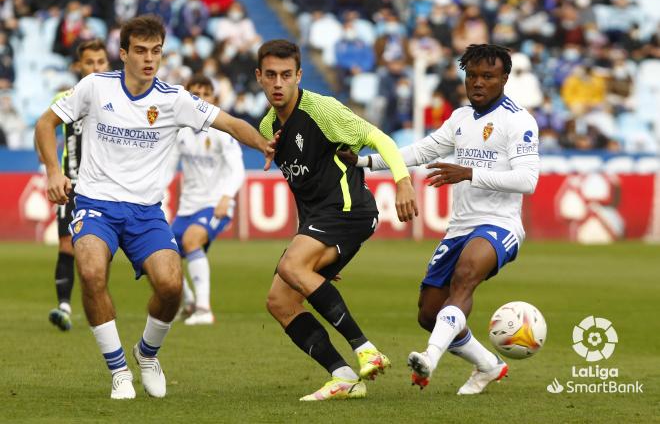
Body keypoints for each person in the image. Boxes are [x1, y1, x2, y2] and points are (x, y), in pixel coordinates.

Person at [34, 15, 275, 400]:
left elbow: (229, 123)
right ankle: (118, 371)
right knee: (92, 272)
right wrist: (51, 171)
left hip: (146, 212)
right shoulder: (95, 87)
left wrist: (263, 144)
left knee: (171, 286)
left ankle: (146, 354)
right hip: (96, 203)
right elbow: (45, 124)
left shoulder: (174, 99)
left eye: (157, 51)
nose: (149, 59)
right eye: (141, 51)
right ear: (124, 53)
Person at [343, 44, 540, 395]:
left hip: (500, 224)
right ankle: (488, 365)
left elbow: (527, 180)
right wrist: (365, 163)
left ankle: (429, 359)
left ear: (504, 79)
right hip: (460, 226)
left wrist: (468, 173)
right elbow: (422, 151)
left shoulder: (519, 121)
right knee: (429, 313)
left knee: (465, 277)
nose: (478, 83)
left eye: (488, 76)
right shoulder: (461, 118)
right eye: (472, 76)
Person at [255, 39, 417, 402]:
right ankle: (343, 376)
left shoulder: (322, 110)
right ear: (259, 78)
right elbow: (300, 187)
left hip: (350, 210)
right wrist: (311, 247)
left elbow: (379, 138)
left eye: (286, 75)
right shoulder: (268, 128)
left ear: (299, 75)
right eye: (270, 75)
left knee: (292, 265)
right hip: (321, 219)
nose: (278, 83)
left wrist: (403, 181)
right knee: (279, 301)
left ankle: (365, 349)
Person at [166, 74, 246, 326]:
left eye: (205, 94)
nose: (200, 99)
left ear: (214, 98)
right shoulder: (181, 132)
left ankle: (203, 309)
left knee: (191, 240)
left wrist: (226, 197)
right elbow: (167, 169)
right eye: (195, 95)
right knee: (159, 255)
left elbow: (237, 169)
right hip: (187, 207)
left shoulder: (222, 131)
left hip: (215, 204)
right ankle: (188, 301)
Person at [45, 39, 110, 332]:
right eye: (89, 63)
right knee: (66, 244)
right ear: (78, 66)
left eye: (100, 62)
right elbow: (45, 129)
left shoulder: (116, 97)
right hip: (72, 182)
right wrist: (52, 170)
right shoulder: (66, 96)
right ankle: (64, 306)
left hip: (106, 186)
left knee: (97, 250)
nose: (95, 67)